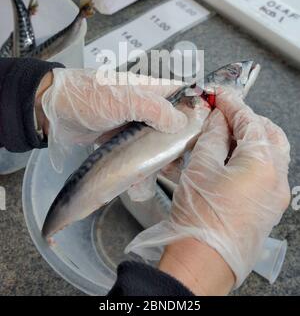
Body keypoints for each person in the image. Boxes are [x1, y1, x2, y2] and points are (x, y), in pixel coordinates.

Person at [0, 57, 291, 296]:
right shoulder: (196, 100)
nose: (238, 75)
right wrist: (207, 259)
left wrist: (38, 97)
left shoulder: (198, 103)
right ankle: (53, 227)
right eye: (232, 71)